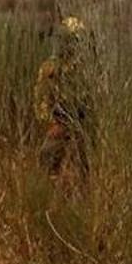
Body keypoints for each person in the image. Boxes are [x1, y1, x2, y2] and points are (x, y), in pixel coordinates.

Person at [34, 16, 92, 176]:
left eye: (69, 40)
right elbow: (41, 98)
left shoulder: (88, 69)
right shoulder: (50, 68)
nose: (63, 45)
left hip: (86, 124)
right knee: (46, 155)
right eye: (61, 39)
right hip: (60, 124)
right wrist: (51, 123)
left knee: (86, 163)